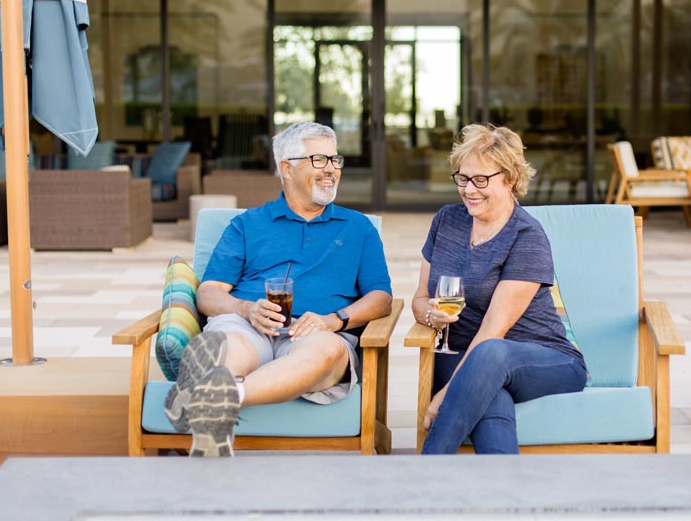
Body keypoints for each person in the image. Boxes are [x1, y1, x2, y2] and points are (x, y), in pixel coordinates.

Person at [165, 121, 393, 457]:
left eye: (335, 160)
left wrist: (334, 320)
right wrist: (246, 309)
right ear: (286, 167)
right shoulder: (247, 224)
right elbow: (208, 293)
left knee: (326, 352)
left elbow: (381, 298)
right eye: (319, 160)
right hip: (248, 324)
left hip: (315, 331)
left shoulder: (358, 227)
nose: (331, 169)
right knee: (229, 345)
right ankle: (215, 387)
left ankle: (216, 400)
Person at [413, 124, 587, 454]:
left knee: (489, 357)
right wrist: (430, 314)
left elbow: (494, 332)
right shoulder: (447, 221)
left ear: (508, 179)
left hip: (542, 359)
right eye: (462, 178)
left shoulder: (526, 237)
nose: (469, 189)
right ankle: (507, 498)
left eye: (481, 180)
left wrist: (445, 396)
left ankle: (426, 470)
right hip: (464, 355)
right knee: (490, 397)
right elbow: (420, 298)